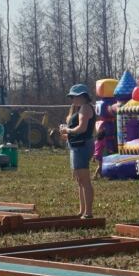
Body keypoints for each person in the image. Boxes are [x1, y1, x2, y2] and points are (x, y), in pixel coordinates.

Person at [61, 84, 96, 219]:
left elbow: (82, 128)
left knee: (85, 180)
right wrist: (67, 133)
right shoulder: (81, 108)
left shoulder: (85, 108)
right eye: (72, 97)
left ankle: (88, 213)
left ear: (83, 96)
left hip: (82, 146)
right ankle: (82, 211)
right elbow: (78, 131)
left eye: (75, 96)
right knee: (80, 180)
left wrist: (67, 130)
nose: (73, 99)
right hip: (77, 145)